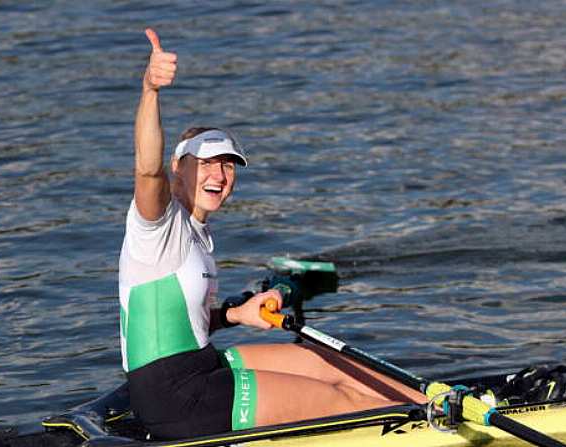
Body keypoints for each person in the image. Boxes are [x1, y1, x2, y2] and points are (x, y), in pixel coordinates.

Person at [118, 27, 426, 440]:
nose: (219, 175)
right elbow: (145, 167)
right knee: (345, 405)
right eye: (207, 162)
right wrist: (150, 90)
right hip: (175, 397)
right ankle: (426, 430)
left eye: (228, 165)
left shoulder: (197, 234)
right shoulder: (156, 224)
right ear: (179, 168)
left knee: (330, 365)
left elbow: (182, 320)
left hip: (202, 363)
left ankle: (432, 406)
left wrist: (235, 315)